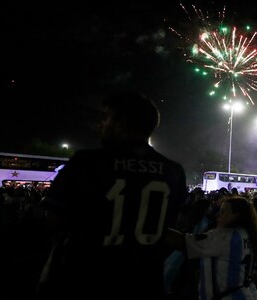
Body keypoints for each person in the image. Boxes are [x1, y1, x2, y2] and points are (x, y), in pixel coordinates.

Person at [36, 91, 188, 299]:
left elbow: (53, 222)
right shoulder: (173, 171)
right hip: (145, 284)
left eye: (106, 118)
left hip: (88, 280)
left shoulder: (86, 162)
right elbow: (171, 222)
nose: (101, 125)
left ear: (121, 123)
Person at [167, 196, 257, 300]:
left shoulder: (223, 236)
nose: (218, 215)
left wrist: (157, 228)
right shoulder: (251, 236)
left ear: (236, 216)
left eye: (223, 212)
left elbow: (184, 242)